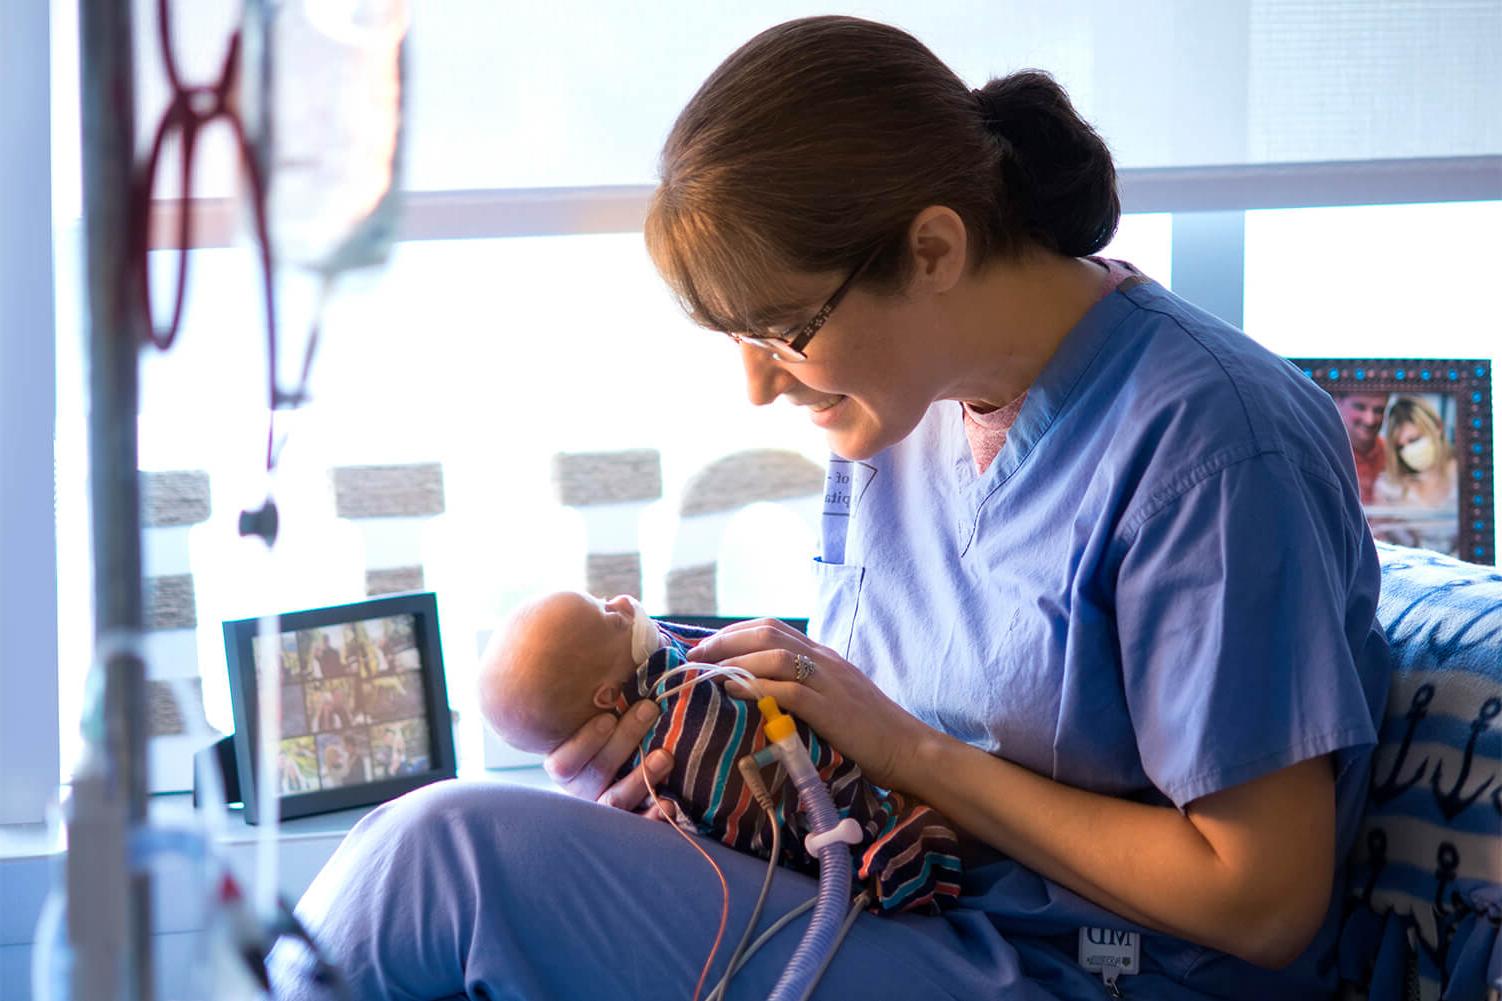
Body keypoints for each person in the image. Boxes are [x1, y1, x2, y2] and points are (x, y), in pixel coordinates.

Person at [272, 17, 1388, 1000]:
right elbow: (926, 703)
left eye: (782, 331)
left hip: (1078, 969)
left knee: (447, 858)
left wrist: (903, 749)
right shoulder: (904, 408)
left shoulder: (1209, 445)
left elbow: (1261, 901)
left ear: (933, 248)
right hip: (901, 902)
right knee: (434, 854)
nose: (759, 385)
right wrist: (701, 725)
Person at [476, 590, 963, 913]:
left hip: (827, 861)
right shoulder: (674, 683)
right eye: (608, 617)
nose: (624, 602)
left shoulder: (659, 693)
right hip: (834, 840)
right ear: (605, 697)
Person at [1333, 391, 1390, 503]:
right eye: (1360, 407)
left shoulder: (1393, 454)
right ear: (1337, 402)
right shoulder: (1324, 455)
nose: (1370, 420)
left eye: (1378, 410)